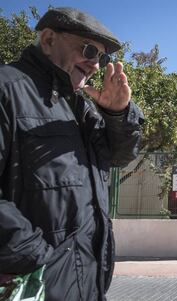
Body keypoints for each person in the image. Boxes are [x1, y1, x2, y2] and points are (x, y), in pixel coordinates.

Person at [0, 7, 144, 300]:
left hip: (86, 280)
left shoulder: (84, 107)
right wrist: (39, 259)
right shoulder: (7, 90)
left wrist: (116, 114)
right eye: (88, 50)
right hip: (35, 281)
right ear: (49, 39)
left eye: (102, 58)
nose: (94, 65)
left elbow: (119, 157)